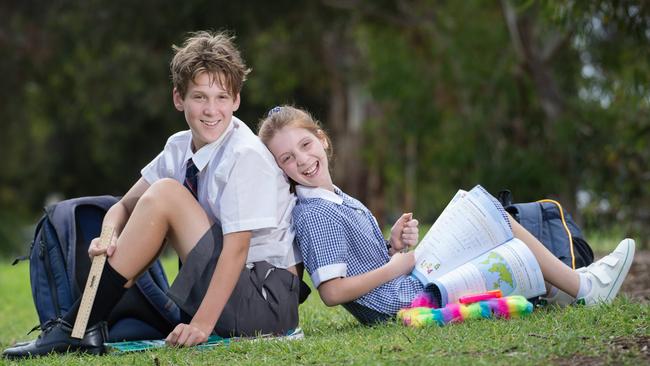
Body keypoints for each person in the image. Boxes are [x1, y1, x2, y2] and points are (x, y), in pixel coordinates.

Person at [3, 31, 302, 359]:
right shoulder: (178, 146)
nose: (211, 109)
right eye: (199, 97)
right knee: (160, 196)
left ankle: (78, 326)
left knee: (166, 195)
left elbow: (237, 247)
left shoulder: (244, 154)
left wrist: (201, 325)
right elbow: (125, 206)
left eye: (221, 97)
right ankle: (82, 325)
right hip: (227, 293)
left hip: (264, 301)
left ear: (236, 101)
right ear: (178, 98)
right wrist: (108, 236)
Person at [257, 105, 636, 325]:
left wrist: (392, 246)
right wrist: (396, 267)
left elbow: (363, 265)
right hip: (407, 299)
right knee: (493, 216)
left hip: (407, 284)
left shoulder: (334, 198)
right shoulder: (313, 213)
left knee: (493, 219)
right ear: (280, 169)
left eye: (305, 145)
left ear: (321, 139)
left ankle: (570, 286)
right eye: (287, 158)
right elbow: (332, 292)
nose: (302, 160)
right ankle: (585, 289)